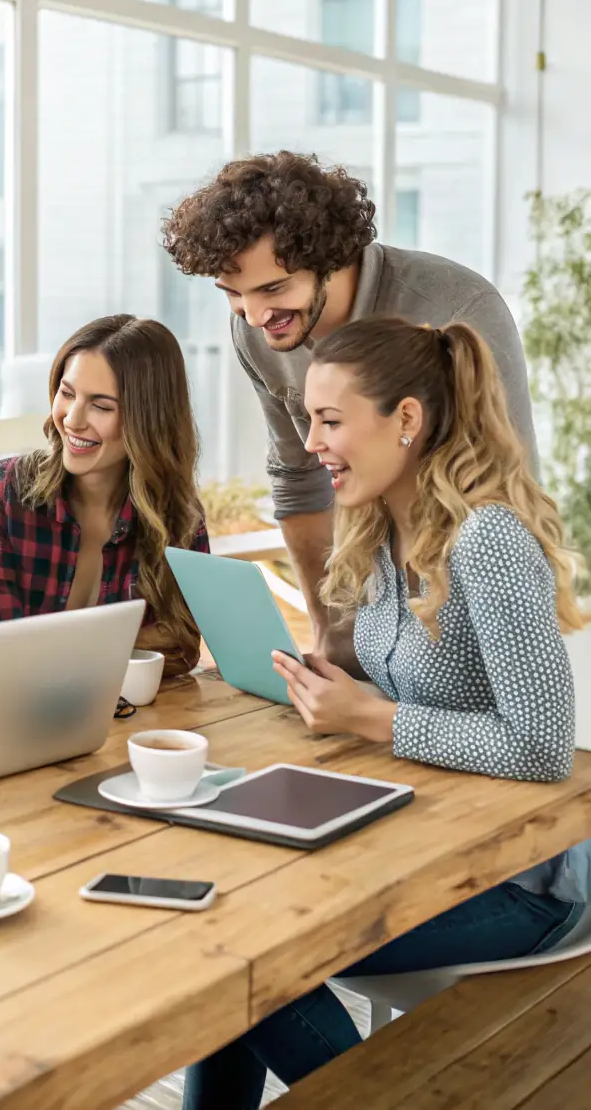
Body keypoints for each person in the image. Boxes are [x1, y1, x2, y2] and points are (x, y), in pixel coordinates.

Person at [181, 315, 588, 1110]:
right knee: (225, 922)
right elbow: (421, 683)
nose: (310, 442)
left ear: (406, 419)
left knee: (242, 963)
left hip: (521, 879)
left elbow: (541, 745)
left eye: (330, 421)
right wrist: (339, 685)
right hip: (426, 836)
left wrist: (370, 719)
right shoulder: (378, 528)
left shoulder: (489, 539)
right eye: (308, 419)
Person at [162, 150, 538, 668]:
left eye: (274, 288)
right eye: (233, 294)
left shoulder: (456, 306)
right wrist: (330, 631)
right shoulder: (256, 330)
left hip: (467, 600)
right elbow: (297, 478)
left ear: (332, 258)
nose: (254, 314)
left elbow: (507, 489)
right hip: (370, 593)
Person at [0, 315, 210, 676]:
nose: (72, 419)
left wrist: (54, 650)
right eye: (67, 394)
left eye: (101, 406)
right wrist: (128, 645)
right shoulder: (2, 494)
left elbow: (181, 649)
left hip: (134, 718)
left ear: (148, 420)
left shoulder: (177, 514)